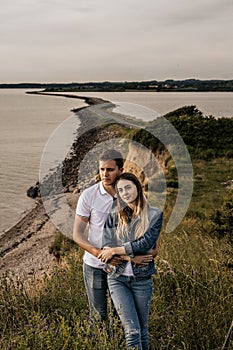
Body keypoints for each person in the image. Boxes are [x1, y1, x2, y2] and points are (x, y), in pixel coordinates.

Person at [73, 150, 159, 324]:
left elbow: (151, 239)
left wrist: (132, 257)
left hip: (123, 268)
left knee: (122, 319)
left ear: (121, 169)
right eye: (102, 169)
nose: (105, 174)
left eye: (110, 169)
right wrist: (102, 255)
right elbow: (77, 235)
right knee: (98, 317)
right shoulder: (88, 196)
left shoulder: (134, 196)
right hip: (95, 266)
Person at [98, 172, 163, 350]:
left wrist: (115, 250)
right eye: (120, 190)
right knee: (132, 332)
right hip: (117, 278)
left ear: (137, 187)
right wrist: (129, 256)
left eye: (128, 187)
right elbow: (105, 246)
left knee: (142, 330)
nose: (125, 193)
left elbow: (146, 245)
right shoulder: (114, 214)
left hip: (142, 280)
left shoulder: (155, 215)